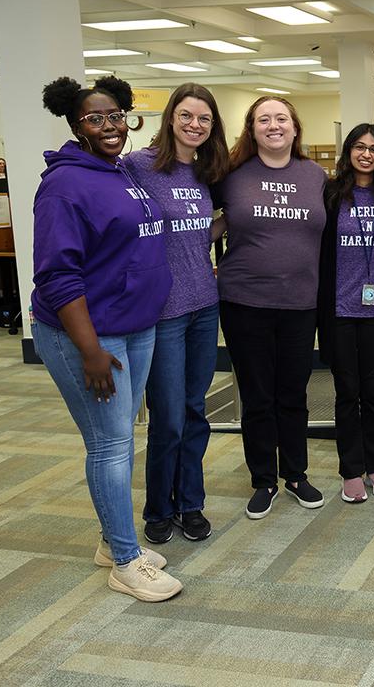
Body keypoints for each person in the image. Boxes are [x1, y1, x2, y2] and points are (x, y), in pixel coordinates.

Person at [32, 75, 182, 602]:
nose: (110, 126)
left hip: (135, 326)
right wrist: (90, 350)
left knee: (122, 438)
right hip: (90, 336)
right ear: (76, 125)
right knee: (110, 444)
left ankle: (110, 539)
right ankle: (124, 560)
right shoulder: (64, 185)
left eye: (116, 115)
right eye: (96, 118)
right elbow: (56, 275)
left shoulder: (120, 171)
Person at [126, 83, 229, 544]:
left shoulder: (208, 172)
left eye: (204, 119)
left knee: (195, 410)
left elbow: (198, 233)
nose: (195, 125)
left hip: (205, 306)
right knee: (166, 416)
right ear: (170, 118)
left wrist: (228, 223)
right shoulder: (139, 167)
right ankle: (158, 507)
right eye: (187, 116)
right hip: (164, 313)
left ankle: (191, 502)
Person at [217, 96, 327, 519]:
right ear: (252, 128)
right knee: (258, 396)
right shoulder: (231, 175)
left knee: (293, 394)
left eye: (282, 118)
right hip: (245, 301)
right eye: (264, 119)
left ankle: (296, 474)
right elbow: (197, 215)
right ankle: (263, 479)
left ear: (296, 128)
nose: (274, 125)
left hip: (301, 303)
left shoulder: (315, 176)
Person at [318, 124, 374, 504]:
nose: (366, 154)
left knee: (373, 392)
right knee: (345, 391)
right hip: (339, 309)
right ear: (348, 152)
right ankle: (350, 469)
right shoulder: (332, 194)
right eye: (359, 147)